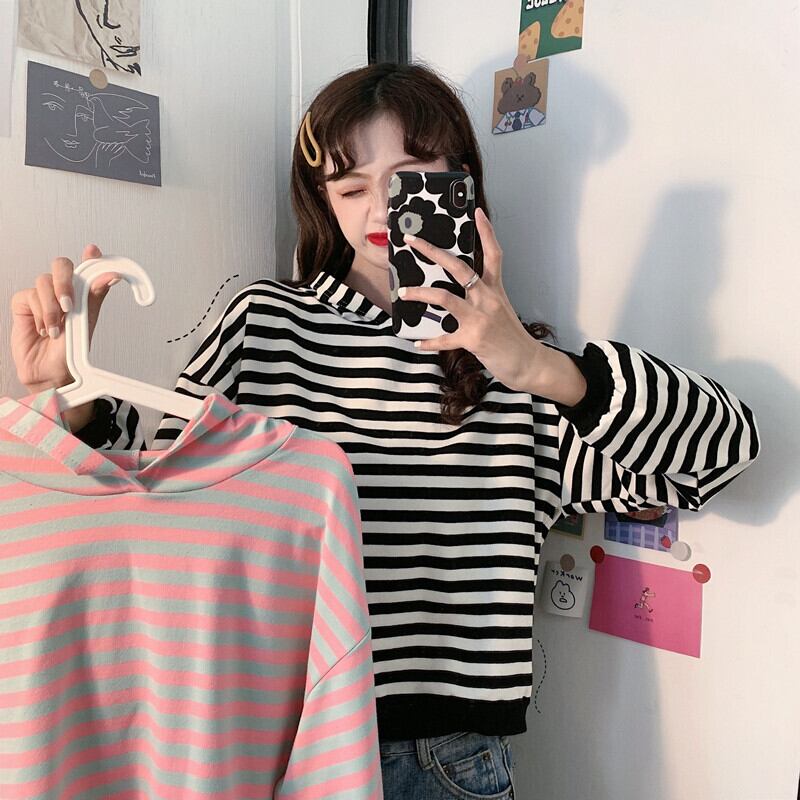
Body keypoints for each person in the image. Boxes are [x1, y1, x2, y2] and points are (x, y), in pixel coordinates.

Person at [11, 61, 760, 799]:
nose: (381, 211)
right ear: (323, 201)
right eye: (350, 187)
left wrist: (543, 368)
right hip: (267, 739)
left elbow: (722, 455)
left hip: (445, 762)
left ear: (461, 181)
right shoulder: (265, 326)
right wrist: (66, 396)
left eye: (408, 179)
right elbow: (158, 500)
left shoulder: (517, 371)